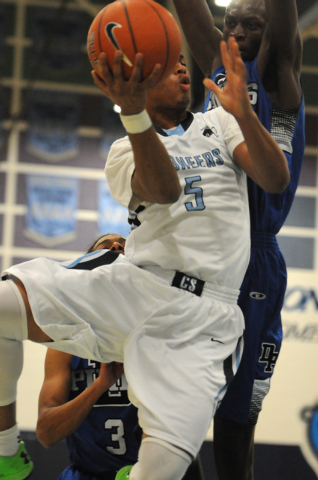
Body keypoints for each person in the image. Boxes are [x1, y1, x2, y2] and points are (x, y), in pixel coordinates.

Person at [0, 37, 289, 480]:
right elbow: (165, 190)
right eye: (166, 66)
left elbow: (274, 179)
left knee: (162, 471)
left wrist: (245, 115)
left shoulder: (221, 123)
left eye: (180, 63)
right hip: (136, 286)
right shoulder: (123, 151)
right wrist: (134, 115)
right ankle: (5, 453)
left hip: (203, 320)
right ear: (140, 86)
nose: (181, 70)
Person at [171, 0, 305, 479]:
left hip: (255, 257)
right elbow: (189, 10)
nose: (240, 30)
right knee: (174, 416)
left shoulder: (275, 73)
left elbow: (284, 36)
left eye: (254, 24)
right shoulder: (215, 70)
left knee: (235, 427)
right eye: (232, 22)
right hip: (204, 254)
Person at [36, 234, 204, 480]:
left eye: (124, 245)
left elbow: (186, 421)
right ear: (86, 271)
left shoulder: (164, 329)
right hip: (88, 474)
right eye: (104, 247)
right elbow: (46, 433)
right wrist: (100, 385)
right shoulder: (66, 341)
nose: (116, 246)